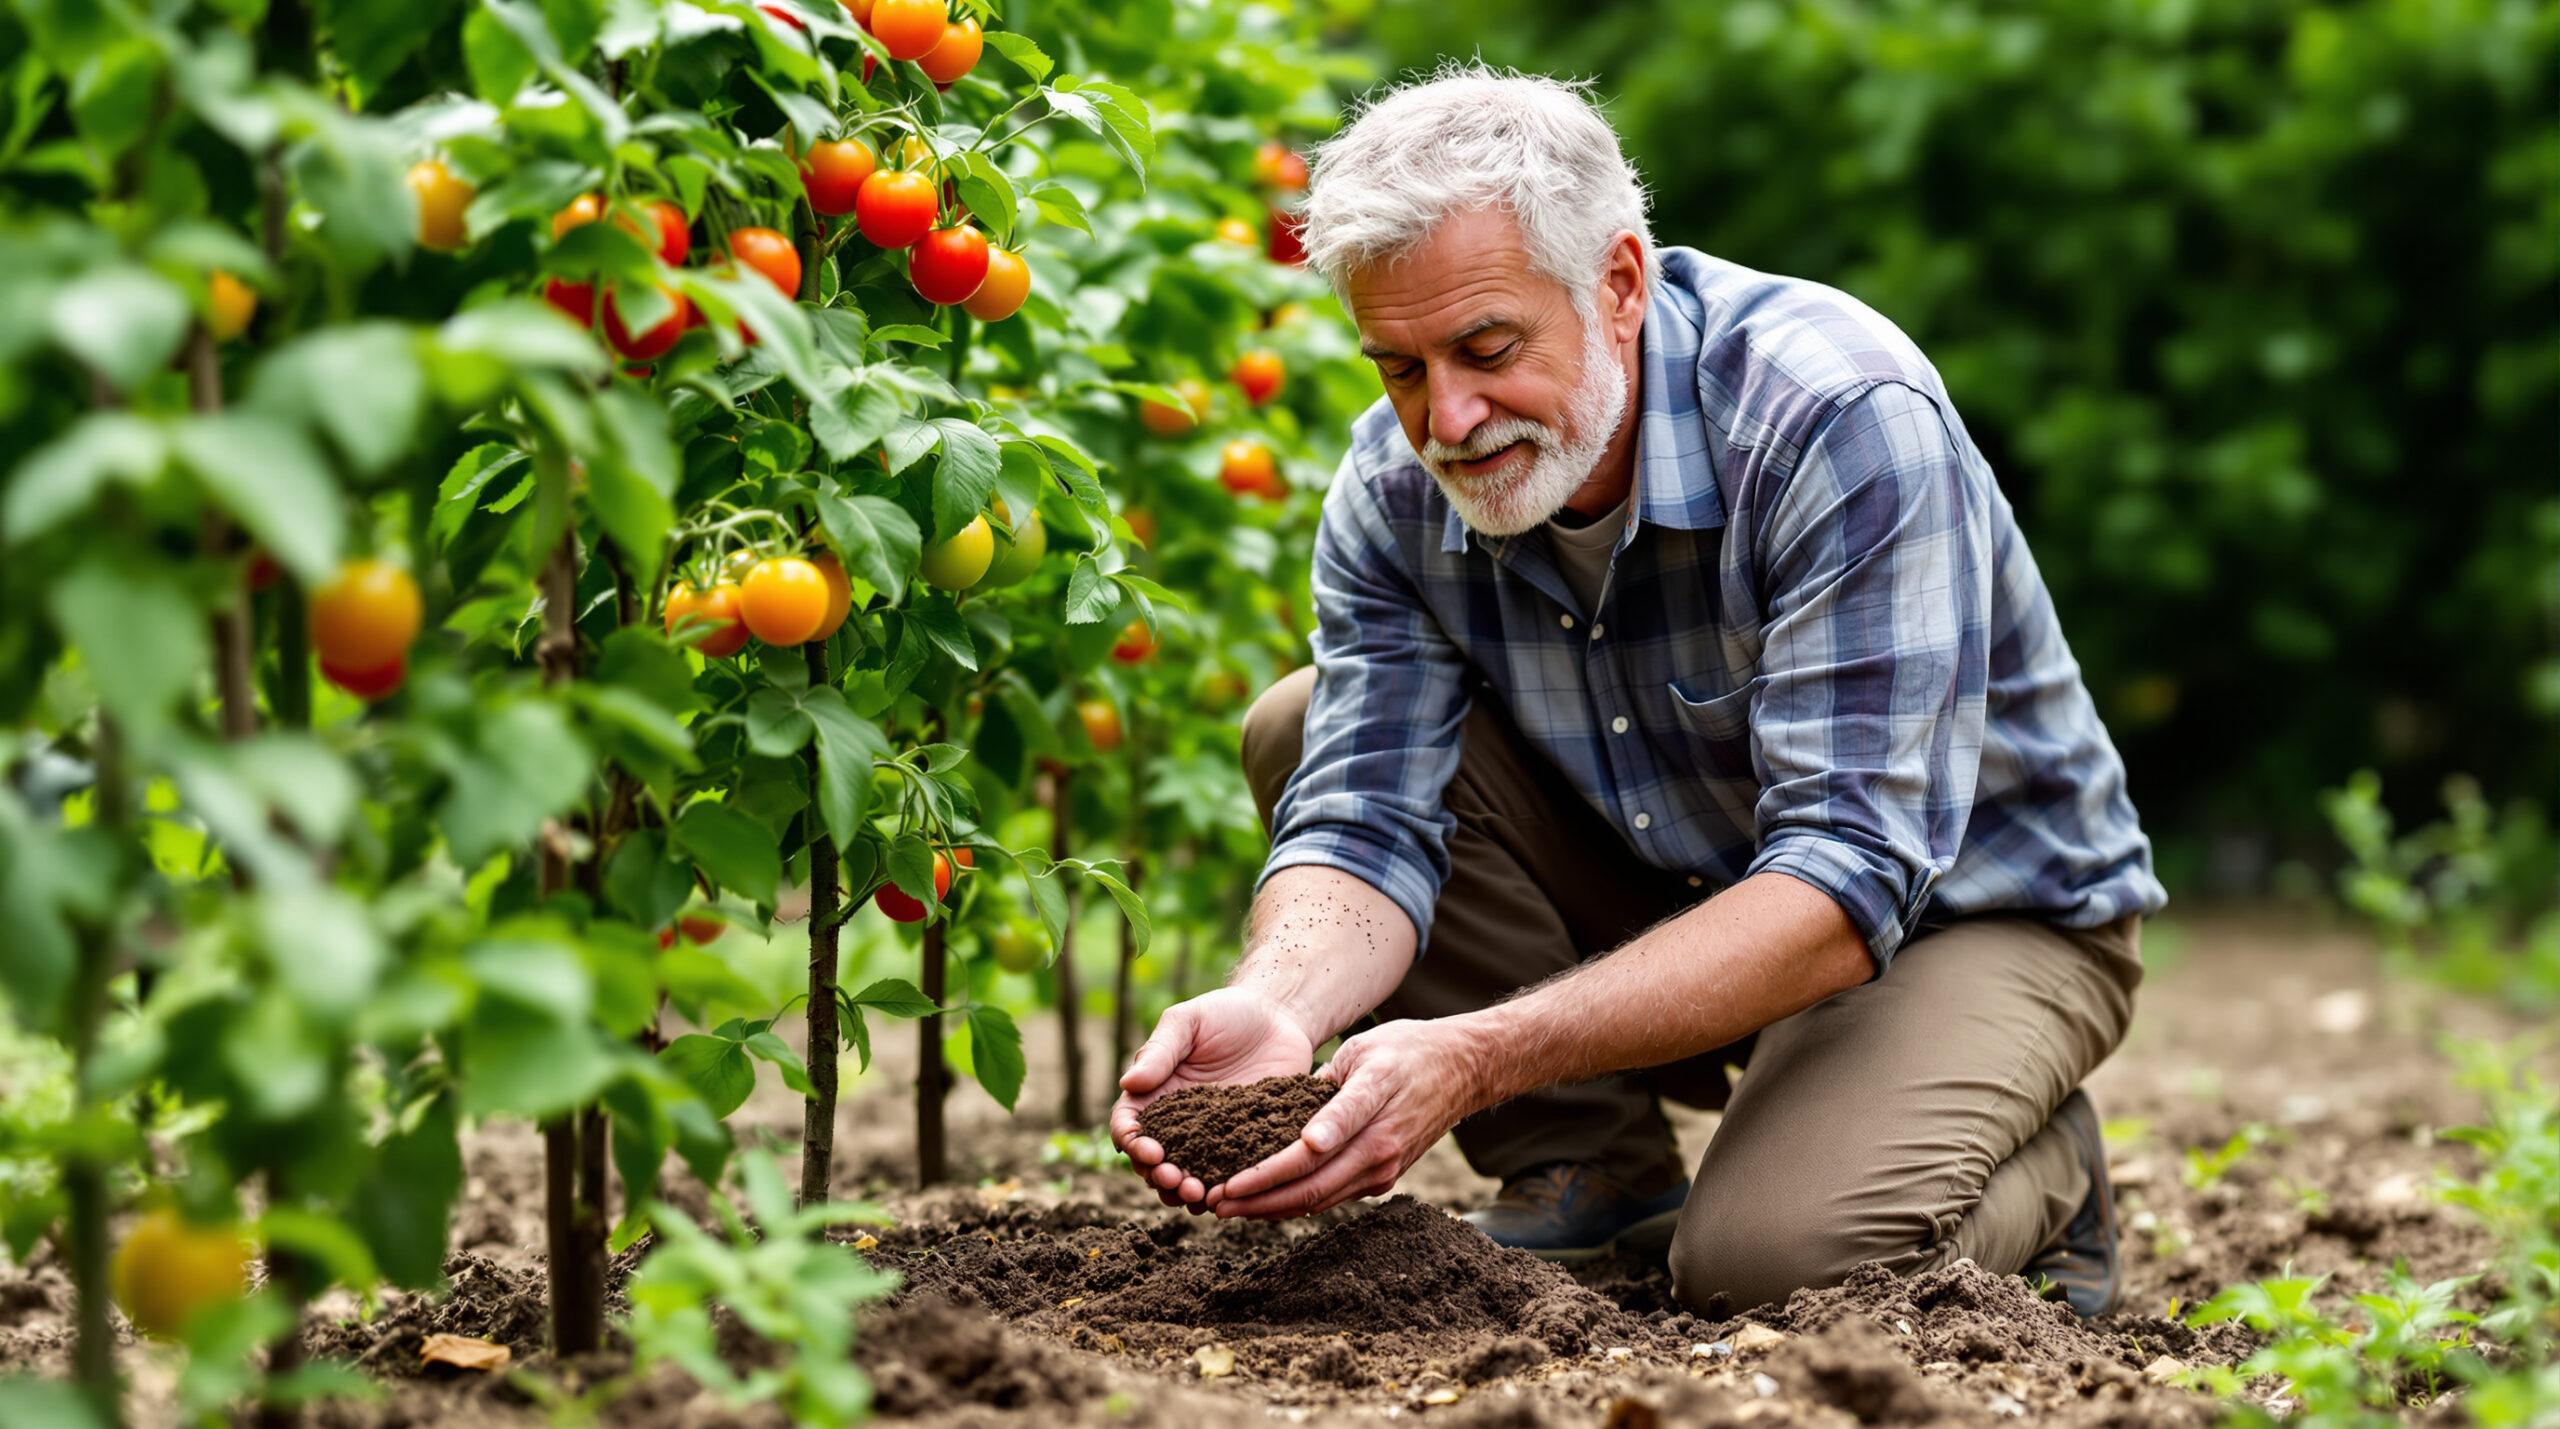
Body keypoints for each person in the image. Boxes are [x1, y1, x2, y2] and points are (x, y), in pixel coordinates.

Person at [1107, 63, 2167, 1318]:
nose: (1444, 418)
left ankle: (2044, 1167)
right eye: (1397, 367)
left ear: (1618, 283)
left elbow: (1843, 882)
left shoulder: (1833, 417)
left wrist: (1478, 1053)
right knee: (1299, 723)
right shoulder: (1393, 491)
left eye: (1485, 348)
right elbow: (1365, 815)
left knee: (1770, 1264)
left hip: (1971, 916)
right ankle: (1593, 1167)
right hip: (1686, 878)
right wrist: (1275, 1004)